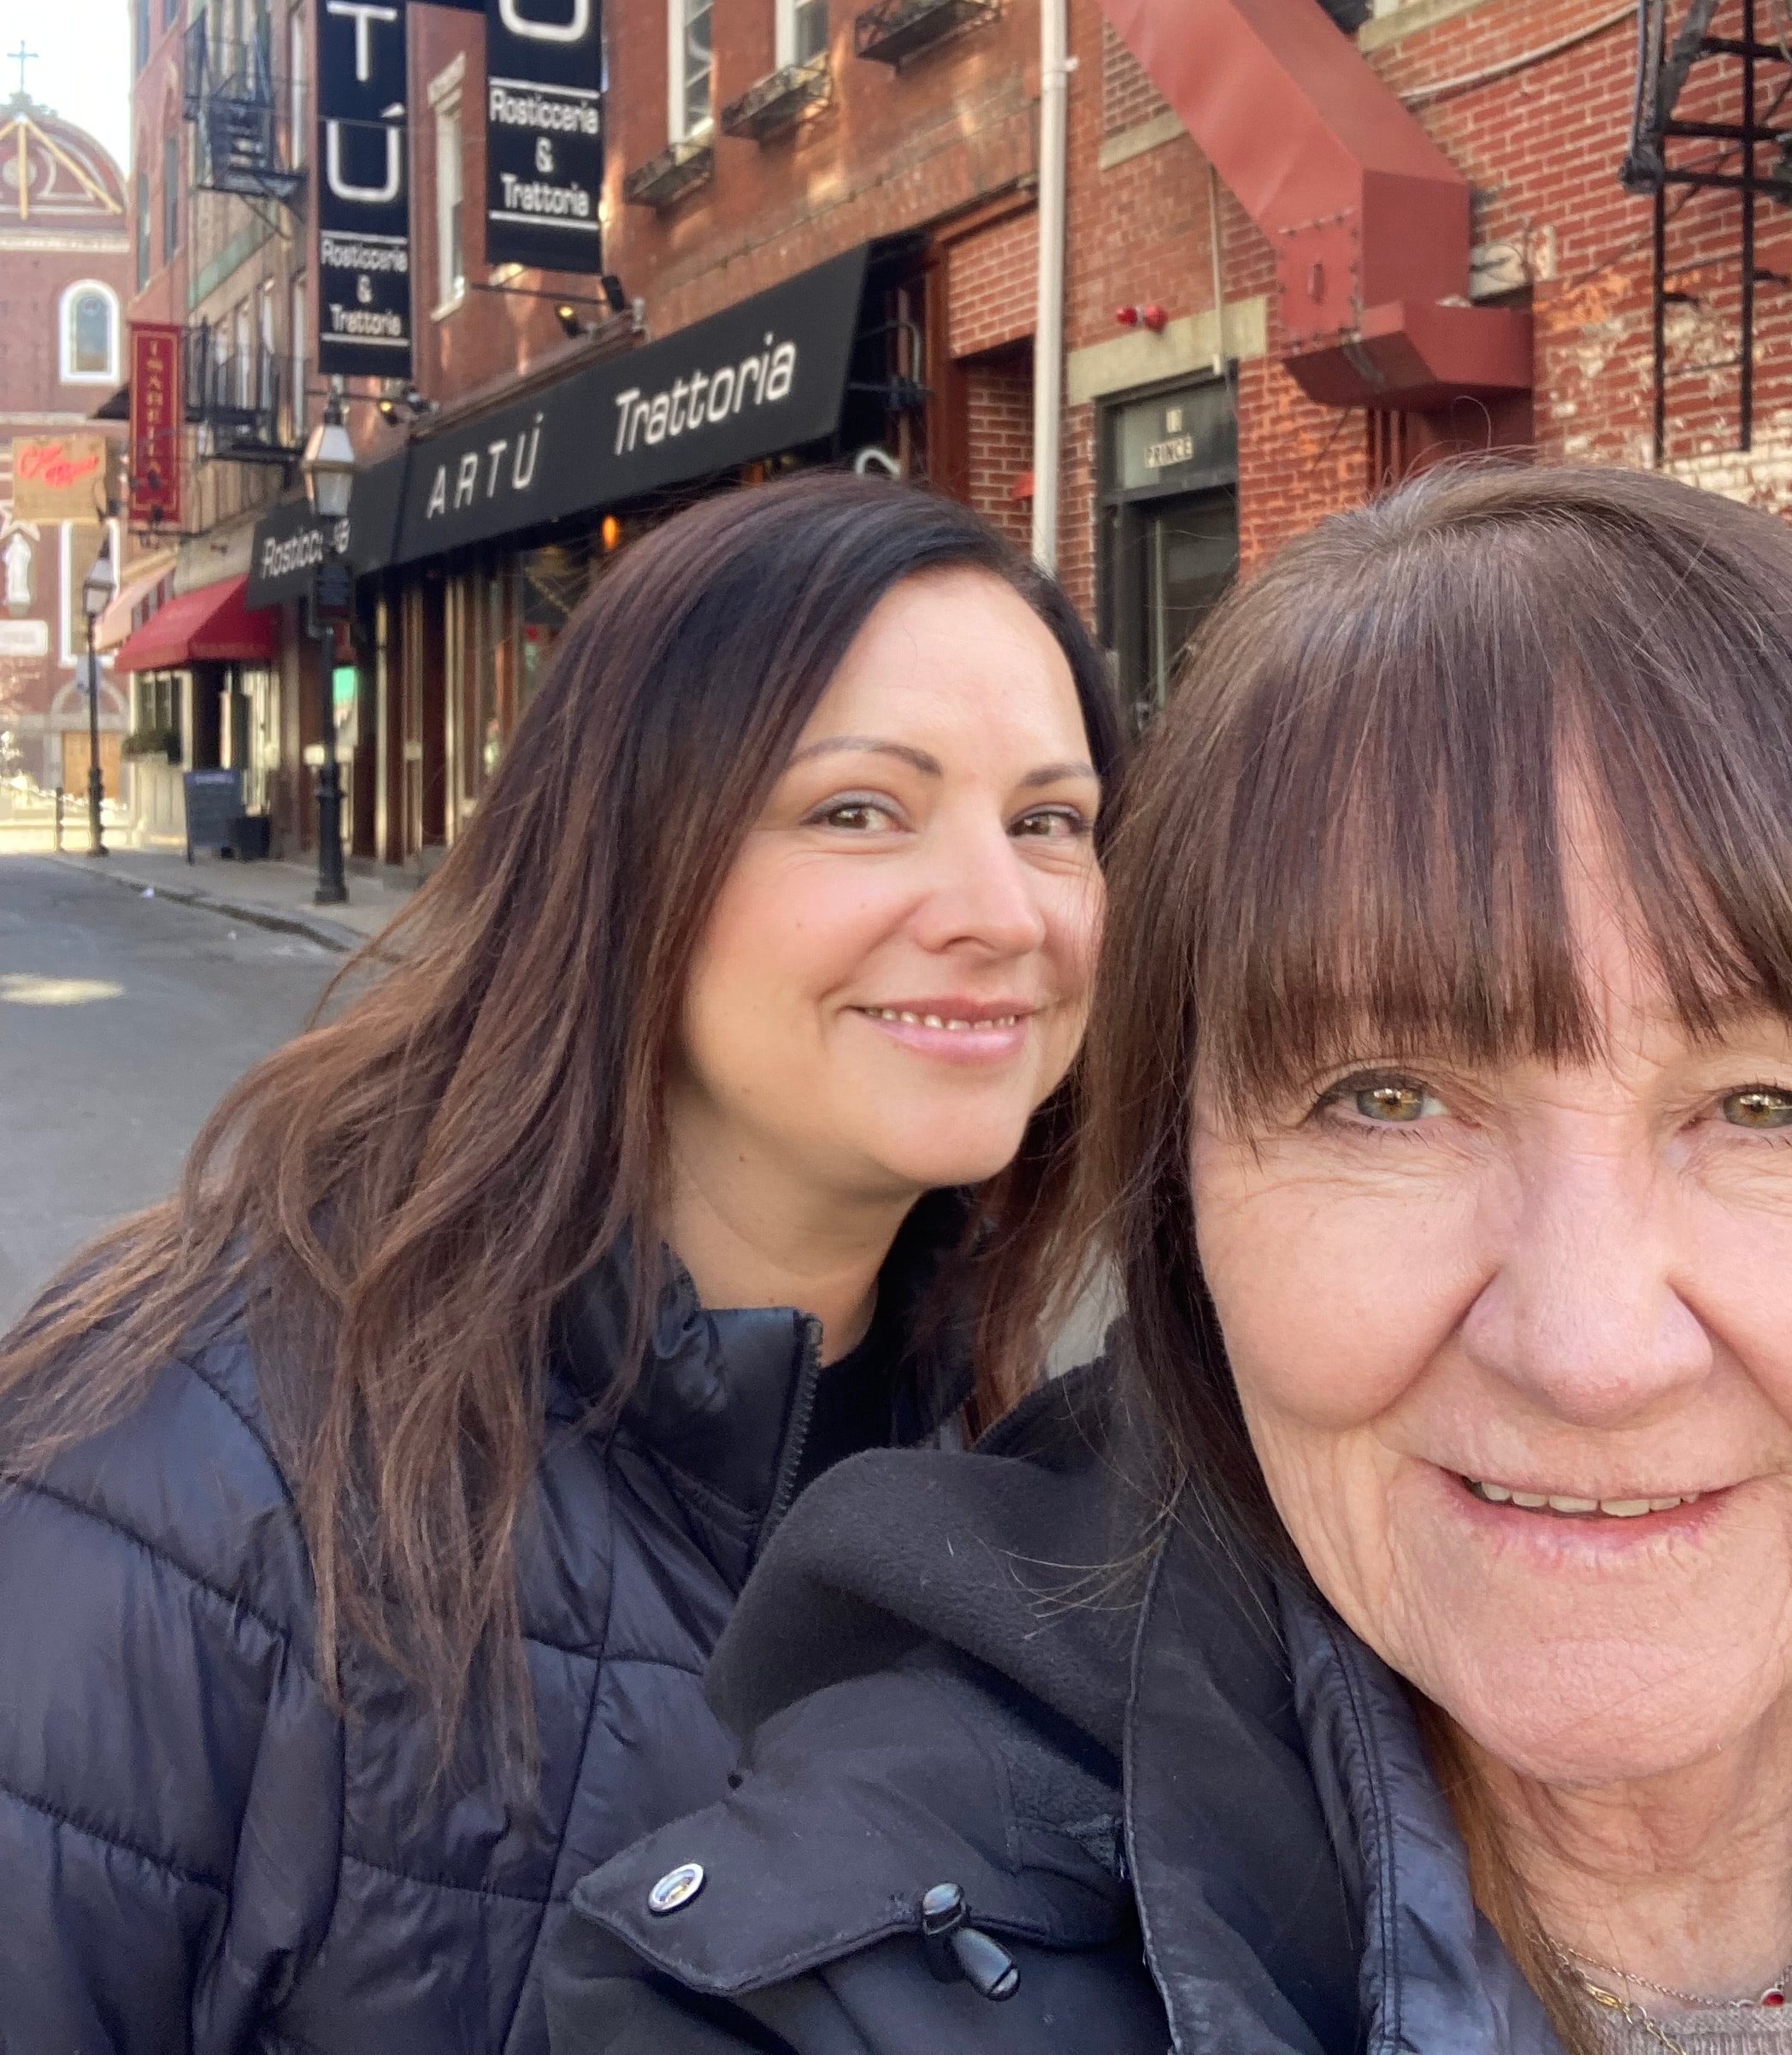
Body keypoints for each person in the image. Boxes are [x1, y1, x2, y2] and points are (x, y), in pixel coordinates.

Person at [551, 460, 1792, 2055]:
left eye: (1773, 1107)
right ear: (1187, 1227)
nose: (1590, 1349)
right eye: (1387, 1100)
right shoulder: (842, 1989)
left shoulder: (942, 1330)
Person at [0, 470, 1120, 2055]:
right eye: (858, 809)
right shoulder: (184, 1476)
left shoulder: (1030, 1488)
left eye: (1050, 823)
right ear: (623, 854)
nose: (1005, 913)